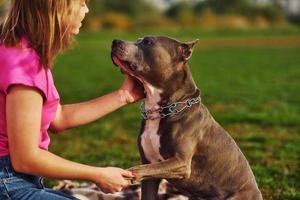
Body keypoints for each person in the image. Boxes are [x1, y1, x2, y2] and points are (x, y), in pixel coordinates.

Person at [0, 0, 144, 199]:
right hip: (8, 184)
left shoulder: (19, 50)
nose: (86, 9)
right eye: (81, 3)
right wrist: (98, 174)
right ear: (55, 7)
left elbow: (57, 117)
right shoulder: (24, 66)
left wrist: (123, 96)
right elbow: (25, 158)